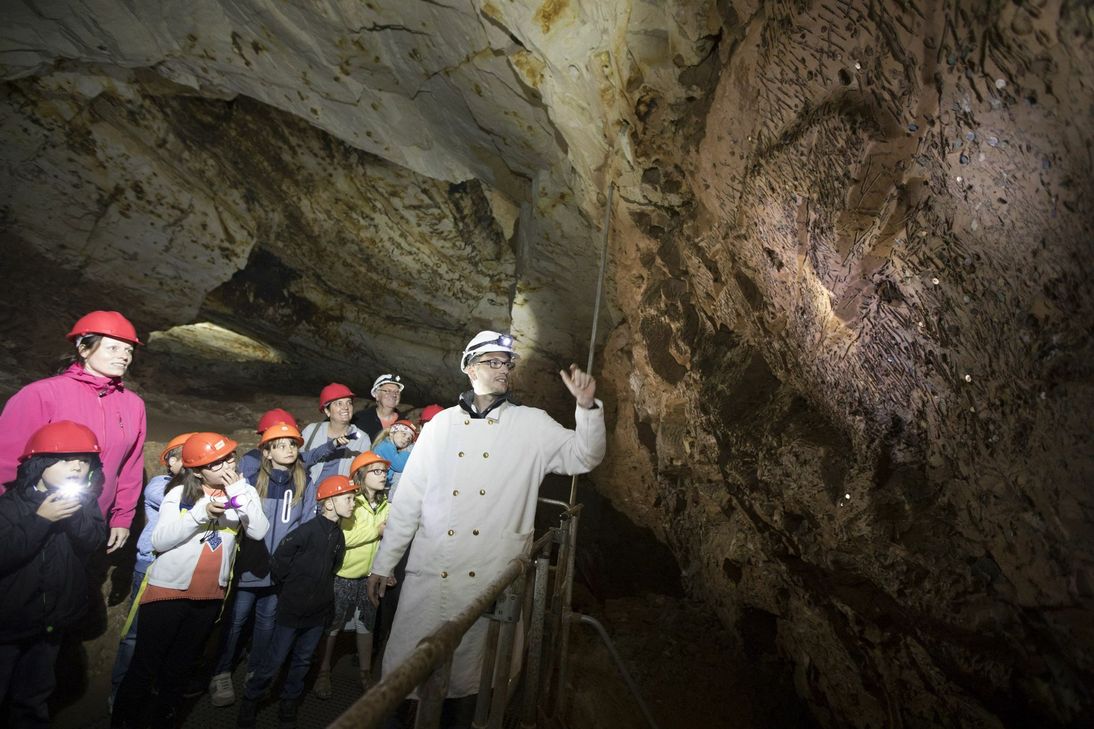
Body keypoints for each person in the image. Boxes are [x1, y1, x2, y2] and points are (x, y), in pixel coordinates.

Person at [366, 331, 605, 727]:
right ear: (470, 368)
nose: (503, 370)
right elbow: (409, 498)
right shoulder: (441, 424)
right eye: (493, 362)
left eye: (507, 364)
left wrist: (586, 407)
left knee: (473, 688)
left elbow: (584, 455)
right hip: (432, 574)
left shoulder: (532, 424)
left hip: (488, 578)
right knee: (408, 679)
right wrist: (384, 563)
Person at [111, 432, 269, 729]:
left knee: (179, 669)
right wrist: (200, 512)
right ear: (197, 470)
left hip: (208, 596)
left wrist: (241, 491)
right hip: (168, 593)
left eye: (229, 458)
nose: (227, 466)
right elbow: (160, 539)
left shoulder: (242, 492)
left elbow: (258, 530)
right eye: (216, 463)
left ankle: (164, 721)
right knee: (145, 667)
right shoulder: (179, 493)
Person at [208, 421, 335, 707]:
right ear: (266, 452)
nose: (289, 449)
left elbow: (303, 524)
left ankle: (257, 669)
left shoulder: (303, 480)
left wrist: (292, 562)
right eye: (280, 445)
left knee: (267, 621)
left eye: (292, 444)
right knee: (236, 621)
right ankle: (221, 672)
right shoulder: (253, 479)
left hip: (280, 569)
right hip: (250, 566)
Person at [0, 310, 146, 554]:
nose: (124, 357)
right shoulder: (41, 394)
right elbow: (5, 457)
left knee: (71, 587)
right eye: (113, 348)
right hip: (34, 517)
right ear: (84, 349)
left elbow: (130, 466)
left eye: (128, 350)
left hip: (90, 523)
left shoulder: (133, 405)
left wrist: (122, 517)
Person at [0, 421, 106, 728]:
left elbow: (95, 541)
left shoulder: (84, 504)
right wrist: (41, 520)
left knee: (34, 697)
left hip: (50, 625)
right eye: (65, 458)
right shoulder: (9, 506)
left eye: (84, 460)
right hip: (7, 625)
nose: (76, 466)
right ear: (40, 462)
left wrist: (71, 517)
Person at [236, 474, 355, 729]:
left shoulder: (338, 536)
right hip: (292, 609)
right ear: (330, 503)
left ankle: (289, 701)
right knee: (274, 659)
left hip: (316, 612)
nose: (352, 502)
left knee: (302, 660)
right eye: (348, 497)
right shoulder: (306, 531)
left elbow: (334, 567)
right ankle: (251, 698)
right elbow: (280, 561)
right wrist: (292, 589)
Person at [109, 431, 193, 709]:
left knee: (168, 636)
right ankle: (119, 693)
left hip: (180, 571)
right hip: (151, 566)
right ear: (170, 461)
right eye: (184, 457)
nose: (191, 462)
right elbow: (183, 501)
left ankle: (151, 689)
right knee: (134, 635)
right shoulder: (160, 484)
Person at [313, 451, 392, 699]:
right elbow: (344, 538)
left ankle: (365, 674)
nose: (383, 475)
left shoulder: (385, 503)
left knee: (366, 626)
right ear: (360, 475)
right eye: (376, 471)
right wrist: (376, 530)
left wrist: (386, 568)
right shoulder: (350, 502)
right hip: (343, 575)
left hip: (370, 576)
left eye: (384, 471)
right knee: (333, 625)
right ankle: (323, 672)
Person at [300, 383, 370, 485]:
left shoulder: (362, 439)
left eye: (349, 403)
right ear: (327, 411)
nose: (346, 407)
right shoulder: (312, 431)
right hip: (309, 495)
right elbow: (298, 462)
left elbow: (364, 474)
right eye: (339, 403)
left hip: (342, 496)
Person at [238, 408, 300, 476]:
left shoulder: (293, 456)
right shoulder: (252, 460)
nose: (289, 450)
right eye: (282, 446)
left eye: (292, 444)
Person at [351, 374, 404, 442]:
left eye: (397, 392)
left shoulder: (404, 424)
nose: (393, 395)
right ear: (377, 395)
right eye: (387, 391)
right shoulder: (360, 419)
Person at [371, 419, 417, 496]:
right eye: (404, 434)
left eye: (409, 439)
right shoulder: (385, 446)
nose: (406, 439)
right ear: (392, 432)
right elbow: (400, 465)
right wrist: (407, 450)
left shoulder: (389, 446)